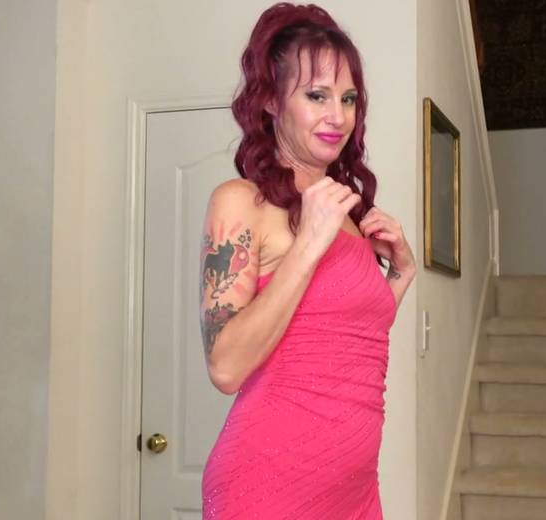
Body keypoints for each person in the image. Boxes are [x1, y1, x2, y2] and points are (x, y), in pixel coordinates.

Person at [198, 3, 416, 518]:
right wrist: (307, 246)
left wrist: (401, 275)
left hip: (355, 488)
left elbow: (342, 342)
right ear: (272, 101)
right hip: (270, 483)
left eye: (348, 98)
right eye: (316, 95)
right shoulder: (241, 202)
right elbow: (225, 367)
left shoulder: (345, 212)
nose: (338, 116)